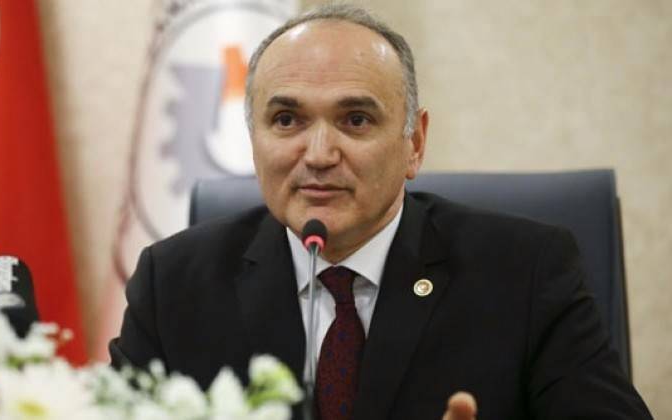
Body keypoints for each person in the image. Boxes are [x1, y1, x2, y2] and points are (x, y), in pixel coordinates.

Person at [110, 4, 651, 419]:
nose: (318, 155)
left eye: (356, 120)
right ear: (254, 141)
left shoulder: (525, 273)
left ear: (414, 143)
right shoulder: (172, 283)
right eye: (287, 120)